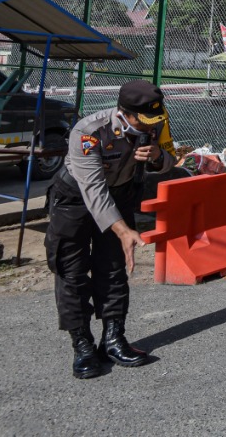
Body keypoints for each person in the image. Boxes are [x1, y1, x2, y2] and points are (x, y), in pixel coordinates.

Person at [46, 80, 176, 378]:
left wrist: (157, 157)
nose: (149, 125)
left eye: (154, 119)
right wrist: (123, 230)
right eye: (142, 120)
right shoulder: (89, 131)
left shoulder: (154, 122)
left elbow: (170, 160)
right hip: (75, 201)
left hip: (120, 195)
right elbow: (93, 189)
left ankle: (114, 339)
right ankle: (82, 345)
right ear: (124, 113)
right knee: (71, 271)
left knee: (114, 269)